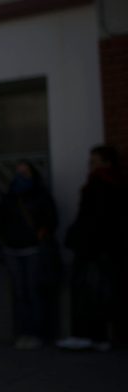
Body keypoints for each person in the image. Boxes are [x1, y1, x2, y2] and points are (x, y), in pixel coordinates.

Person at [60, 145, 125, 351]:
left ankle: (87, 334)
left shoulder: (98, 185)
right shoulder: (112, 184)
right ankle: (100, 336)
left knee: (88, 292)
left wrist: (83, 241)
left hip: (93, 249)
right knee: (102, 293)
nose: (90, 166)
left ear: (106, 163)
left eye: (94, 161)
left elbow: (94, 220)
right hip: (103, 248)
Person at [0, 160, 59, 350]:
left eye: (25, 172)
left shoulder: (40, 195)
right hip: (12, 249)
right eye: (18, 172)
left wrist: (40, 234)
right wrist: (5, 240)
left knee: (33, 292)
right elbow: (0, 222)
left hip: (33, 249)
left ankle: (37, 334)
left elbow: (51, 219)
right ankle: (22, 333)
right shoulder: (9, 197)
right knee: (19, 293)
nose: (20, 176)